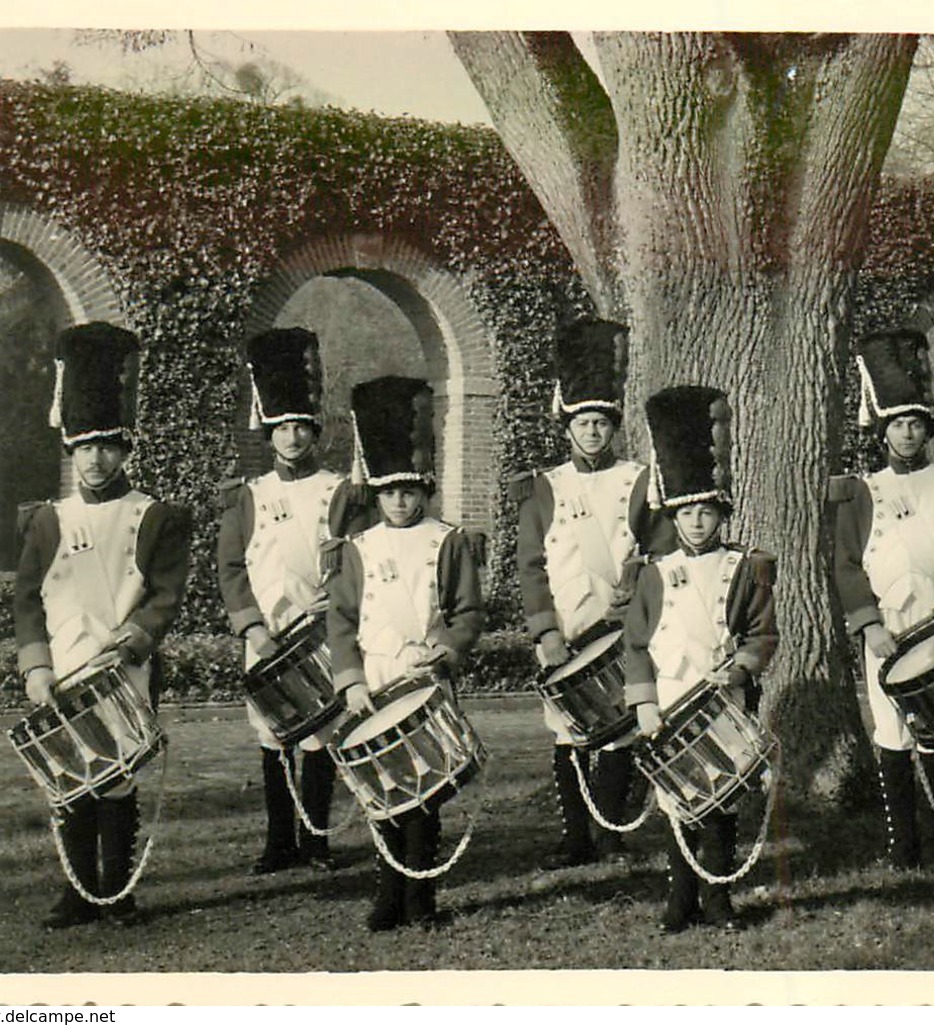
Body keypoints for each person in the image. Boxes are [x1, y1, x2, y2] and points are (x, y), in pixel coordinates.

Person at [15, 322, 192, 928]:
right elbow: (27, 601)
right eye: (86, 446)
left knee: (116, 778)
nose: (96, 458)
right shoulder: (47, 520)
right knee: (69, 775)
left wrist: (138, 636)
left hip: (124, 667)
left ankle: (117, 890)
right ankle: (76, 891)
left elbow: (166, 590)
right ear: (71, 449)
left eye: (108, 446)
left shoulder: (153, 515)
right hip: (63, 668)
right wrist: (35, 665)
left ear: (126, 449)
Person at [831, 329, 934, 873]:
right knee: (893, 735)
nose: (907, 433)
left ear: (927, 428)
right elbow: (848, 565)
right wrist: (867, 624)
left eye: (915, 423)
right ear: (884, 431)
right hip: (887, 631)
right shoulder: (861, 491)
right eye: (898, 424)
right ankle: (902, 845)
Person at [326, 376, 487, 932]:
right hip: (373, 680)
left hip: (425, 681)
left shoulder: (449, 541)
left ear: (425, 490)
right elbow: (341, 620)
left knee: (425, 793)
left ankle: (422, 895)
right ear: (377, 492)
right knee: (383, 790)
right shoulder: (358, 548)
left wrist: (444, 651)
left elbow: (467, 612)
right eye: (390, 491)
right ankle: (387, 893)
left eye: (410, 490)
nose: (400, 501)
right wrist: (349, 678)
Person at [514, 318, 672, 869]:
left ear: (613, 427)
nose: (593, 432)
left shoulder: (639, 480)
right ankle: (575, 838)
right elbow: (531, 566)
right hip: (563, 629)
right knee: (567, 735)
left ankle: (611, 836)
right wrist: (546, 630)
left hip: (619, 630)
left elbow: (659, 550)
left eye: (602, 422)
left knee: (617, 736)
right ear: (567, 426)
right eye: (584, 422)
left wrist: (639, 597)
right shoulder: (543, 485)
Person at [217, 327, 373, 876]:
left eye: (301, 428)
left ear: (314, 431)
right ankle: (278, 841)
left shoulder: (339, 490)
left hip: (319, 632)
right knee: (272, 736)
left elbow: (356, 559)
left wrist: (332, 607)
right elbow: (231, 568)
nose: (292, 439)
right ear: (270, 432)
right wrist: (253, 629)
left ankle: (316, 841)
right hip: (266, 634)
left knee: (320, 735)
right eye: (283, 429)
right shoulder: (248, 495)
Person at [622, 386, 778, 933]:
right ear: (675, 514)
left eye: (706, 513)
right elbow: (636, 644)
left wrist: (738, 670)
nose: (696, 523)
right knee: (676, 800)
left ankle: (718, 898)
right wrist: (643, 702)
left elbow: (762, 635)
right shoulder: (653, 572)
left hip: (725, 701)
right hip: (669, 700)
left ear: (721, 513)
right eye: (687, 513)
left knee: (721, 800)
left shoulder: (746, 567)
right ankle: (678, 899)